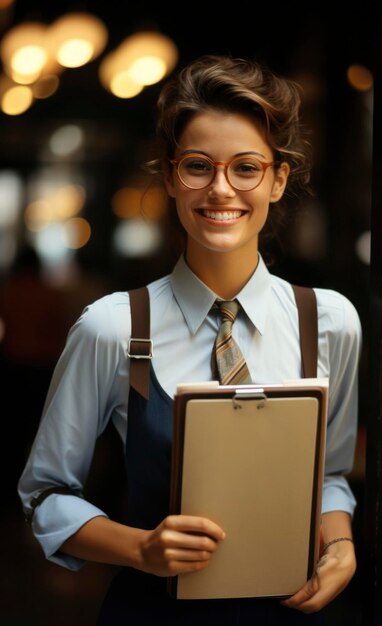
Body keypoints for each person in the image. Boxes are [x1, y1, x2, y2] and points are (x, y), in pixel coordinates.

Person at [18, 54, 361, 625]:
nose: (221, 189)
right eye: (198, 166)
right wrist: (141, 549)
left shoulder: (329, 322)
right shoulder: (114, 327)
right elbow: (46, 496)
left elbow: (330, 476)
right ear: (171, 177)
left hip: (290, 612)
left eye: (246, 167)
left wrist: (341, 545)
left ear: (278, 180)